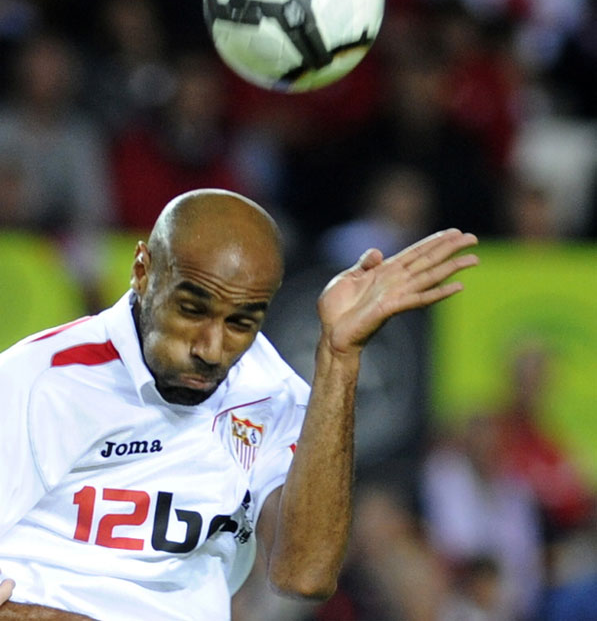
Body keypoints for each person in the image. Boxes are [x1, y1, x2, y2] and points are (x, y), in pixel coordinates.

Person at [0, 188, 479, 620]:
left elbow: (305, 576)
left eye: (240, 323)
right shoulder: (41, 379)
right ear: (143, 271)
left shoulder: (270, 392)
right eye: (192, 310)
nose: (211, 349)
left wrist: (340, 357)